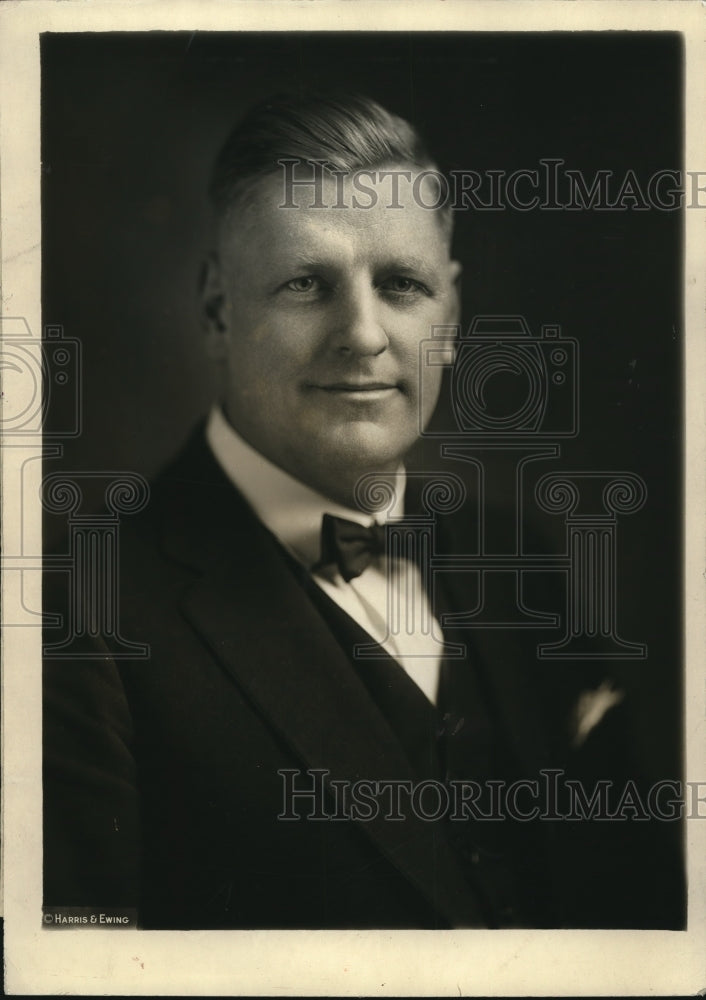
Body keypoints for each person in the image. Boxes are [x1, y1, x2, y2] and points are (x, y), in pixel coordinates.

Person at [43, 92, 684, 930]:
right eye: (306, 284)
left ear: (451, 311)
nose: (364, 334)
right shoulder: (76, 609)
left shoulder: (515, 555)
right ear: (217, 309)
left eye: (402, 284)